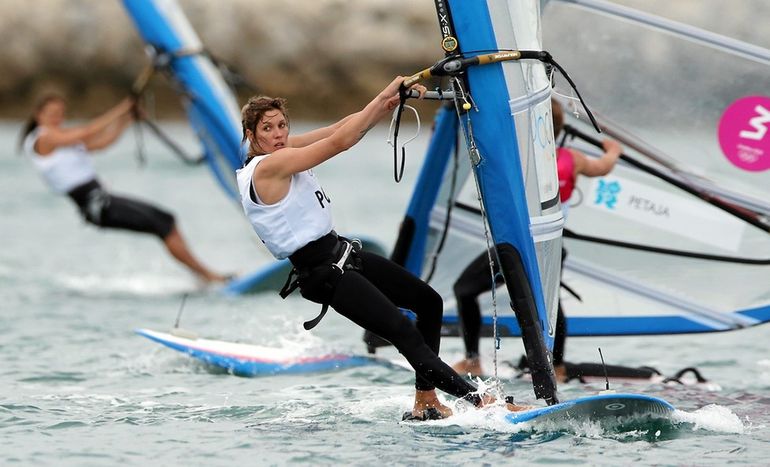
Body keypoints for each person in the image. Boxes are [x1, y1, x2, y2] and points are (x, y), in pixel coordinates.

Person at [236, 77, 528, 421]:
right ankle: (483, 403)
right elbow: (341, 142)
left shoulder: (282, 150)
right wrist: (388, 93)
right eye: (267, 128)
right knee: (403, 331)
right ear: (251, 136)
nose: (278, 134)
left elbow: (338, 128)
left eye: (282, 125)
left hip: (342, 254)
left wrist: (387, 102)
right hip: (323, 272)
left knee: (428, 302)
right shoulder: (269, 166)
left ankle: (426, 400)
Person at [452, 98, 622, 381]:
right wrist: (613, 151)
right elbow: (603, 167)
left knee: (464, 289)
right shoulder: (573, 159)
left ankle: (472, 360)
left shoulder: (519, 157)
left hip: (517, 247)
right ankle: (558, 366)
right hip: (551, 248)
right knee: (550, 304)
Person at [20, 93, 229, 283]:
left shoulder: (62, 140)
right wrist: (122, 108)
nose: (57, 118)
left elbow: (101, 143)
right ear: (38, 115)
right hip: (96, 206)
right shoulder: (43, 137)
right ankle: (209, 276)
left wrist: (126, 120)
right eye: (51, 114)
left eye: (60, 114)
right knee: (163, 223)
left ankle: (204, 276)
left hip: (102, 200)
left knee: (166, 220)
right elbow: (88, 131)